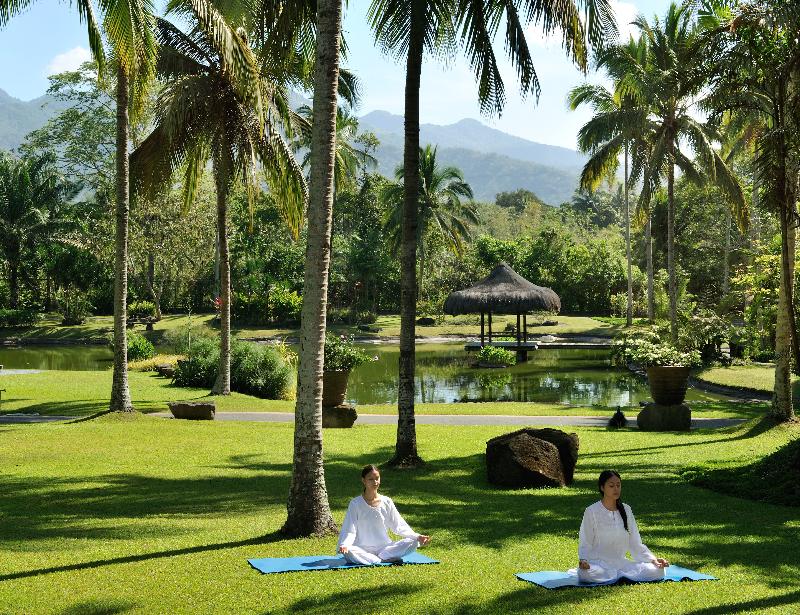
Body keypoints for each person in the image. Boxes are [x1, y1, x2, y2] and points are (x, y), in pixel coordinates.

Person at [575, 470, 669, 584]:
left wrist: (653, 560)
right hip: (598, 565)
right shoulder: (591, 511)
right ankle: (619, 576)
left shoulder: (626, 509)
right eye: (611, 486)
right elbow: (586, 541)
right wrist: (583, 560)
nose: (616, 489)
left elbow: (635, 543)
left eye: (618, 485)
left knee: (658, 571)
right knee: (585, 574)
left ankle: (618, 575)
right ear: (602, 487)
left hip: (621, 564)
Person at [338, 464, 431, 565]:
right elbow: (350, 529)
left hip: (384, 549)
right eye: (371, 479)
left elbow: (398, 526)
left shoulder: (387, 501)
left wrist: (418, 537)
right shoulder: (355, 503)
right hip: (362, 549)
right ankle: (379, 560)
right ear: (363, 481)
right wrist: (345, 544)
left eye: (377, 478)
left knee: (414, 542)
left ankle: (378, 559)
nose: (375, 482)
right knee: (348, 551)